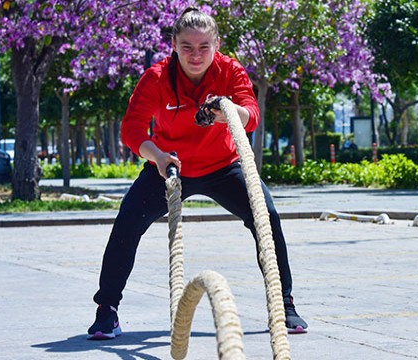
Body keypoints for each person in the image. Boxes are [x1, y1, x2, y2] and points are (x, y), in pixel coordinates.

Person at [87, 7, 308, 340]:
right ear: (173, 44)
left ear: (216, 44)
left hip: (224, 166)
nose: (195, 54)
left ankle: (284, 304)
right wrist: (158, 157)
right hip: (169, 166)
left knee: (268, 217)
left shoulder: (230, 70)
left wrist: (227, 112)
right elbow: (131, 130)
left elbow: (251, 114)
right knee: (128, 220)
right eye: (187, 46)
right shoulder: (156, 78)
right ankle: (107, 311)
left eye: (204, 46)